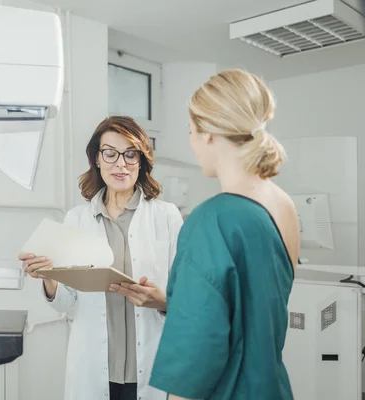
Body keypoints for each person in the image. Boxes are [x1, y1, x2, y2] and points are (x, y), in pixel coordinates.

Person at [144, 69, 299, 400]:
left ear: (208, 134)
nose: (191, 142)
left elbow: (194, 358)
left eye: (190, 131)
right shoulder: (283, 204)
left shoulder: (210, 221)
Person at [19, 116, 184, 400]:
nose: (120, 163)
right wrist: (50, 278)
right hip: (93, 369)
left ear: (141, 160)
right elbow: (67, 302)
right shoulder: (76, 219)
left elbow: (187, 296)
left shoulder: (166, 216)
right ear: (97, 158)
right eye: (110, 153)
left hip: (151, 366)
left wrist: (161, 301)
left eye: (130, 154)